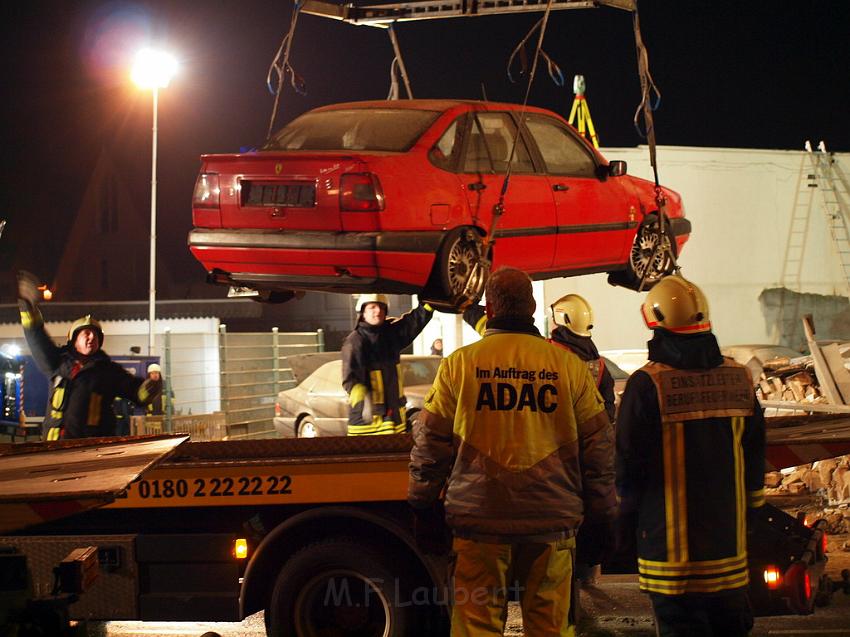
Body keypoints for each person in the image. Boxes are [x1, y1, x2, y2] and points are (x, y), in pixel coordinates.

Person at [409, 267, 616, 636]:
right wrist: (602, 514)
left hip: (479, 520)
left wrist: (422, 504)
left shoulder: (460, 364)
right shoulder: (567, 366)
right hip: (551, 521)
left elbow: (429, 442)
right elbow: (599, 448)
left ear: (490, 307)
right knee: (550, 627)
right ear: (532, 307)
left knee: (476, 626)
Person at [615, 275, 765, 637]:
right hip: (729, 552)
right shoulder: (739, 377)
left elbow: (627, 467)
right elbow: (755, 457)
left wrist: (622, 529)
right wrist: (751, 518)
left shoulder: (647, 385)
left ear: (656, 321)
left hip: (671, 558)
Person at [17, 271, 162, 440]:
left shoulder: (108, 371)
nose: (91, 337)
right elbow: (36, 335)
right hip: (56, 447)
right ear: (73, 339)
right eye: (86, 333)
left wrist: (150, 387)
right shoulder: (57, 362)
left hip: (92, 448)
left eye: (95, 335)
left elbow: (136, 392)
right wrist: (28, 307)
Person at [342, 293, 434, 435]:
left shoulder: (390, 334)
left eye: (381, 307)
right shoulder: (355, 341)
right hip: (367, 425)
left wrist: (429, 305)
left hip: (394, 421)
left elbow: (412, 323)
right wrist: (364, 400)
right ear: (362, 313)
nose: (377, 311)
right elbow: (350, 379)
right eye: (372, 307)